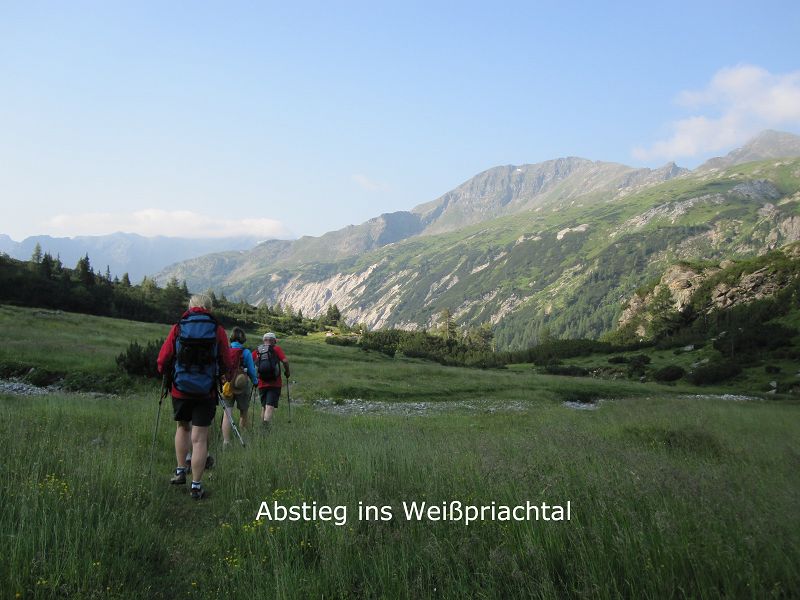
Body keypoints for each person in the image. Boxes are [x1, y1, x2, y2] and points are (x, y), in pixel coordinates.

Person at [157, 293, 233, 500]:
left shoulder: (179, 327)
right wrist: (226, 376)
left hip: (180, 389)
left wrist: (164, 372)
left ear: (190, 307)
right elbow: (226, 360)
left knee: (182, 428)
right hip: (206, 391)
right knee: (199, 439)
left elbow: (163, 358)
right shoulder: (217, 329)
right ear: (209, 308)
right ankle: (196, 486)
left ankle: (181, 470)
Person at [222, 327, 258, 446]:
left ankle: (226, 442)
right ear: (243, 338)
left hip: (227, 384)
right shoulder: (246, 352)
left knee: (227, 413)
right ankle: (243, 439)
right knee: (244, 412)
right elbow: (251, 370)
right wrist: (255, 381)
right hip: (242, 384)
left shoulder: (226, 350)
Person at [253, 332, 290, 426]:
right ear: (274, 341)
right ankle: (265, 429)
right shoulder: (276, 349)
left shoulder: (258, 350)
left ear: (264, 340)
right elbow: (285, 361)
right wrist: (287, 372)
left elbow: (250, 363)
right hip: (275, 383)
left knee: (264, 407)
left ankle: (262, 426)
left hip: (261, 383)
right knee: (270, 406)